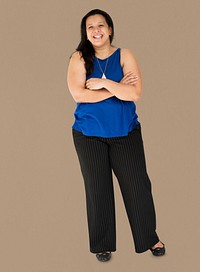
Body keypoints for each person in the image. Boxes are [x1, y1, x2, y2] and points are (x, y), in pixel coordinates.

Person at [67, 9, 166, 262]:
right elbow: (79, 95)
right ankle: (102, 244)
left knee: (137, 188)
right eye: (90, 27)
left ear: (110, 29)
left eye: (101, 25)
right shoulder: (79, 58)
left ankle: (149, 238)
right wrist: (118, 87)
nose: (96, 30)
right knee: (97, 189)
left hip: (126, 133)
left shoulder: (125, 54)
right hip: (89, 135)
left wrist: (103, 84)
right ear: (85, 33)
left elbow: (135, 94)